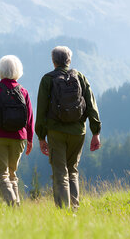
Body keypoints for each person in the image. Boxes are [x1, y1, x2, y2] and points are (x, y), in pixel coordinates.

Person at [35, 46, 101, 209]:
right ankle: (75, 209)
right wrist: (96, 132)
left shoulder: (47, 79)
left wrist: (41, 137)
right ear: (69, 60)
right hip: (78, 132)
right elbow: (92, 105)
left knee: (60, 172)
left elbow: (41, 109)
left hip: (56, 132)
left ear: (53, 61)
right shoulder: (80, 77)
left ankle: (63, 211)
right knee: (72, 170)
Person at [0, 55, 34, 206]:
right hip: (19, 137)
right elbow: (29, 118)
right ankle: (15, 207)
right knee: (12, 174)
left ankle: (13, 204)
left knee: (1, 174)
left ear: (0, 70)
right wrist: (30, 139)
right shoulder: (23, 91)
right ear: (18, 71)